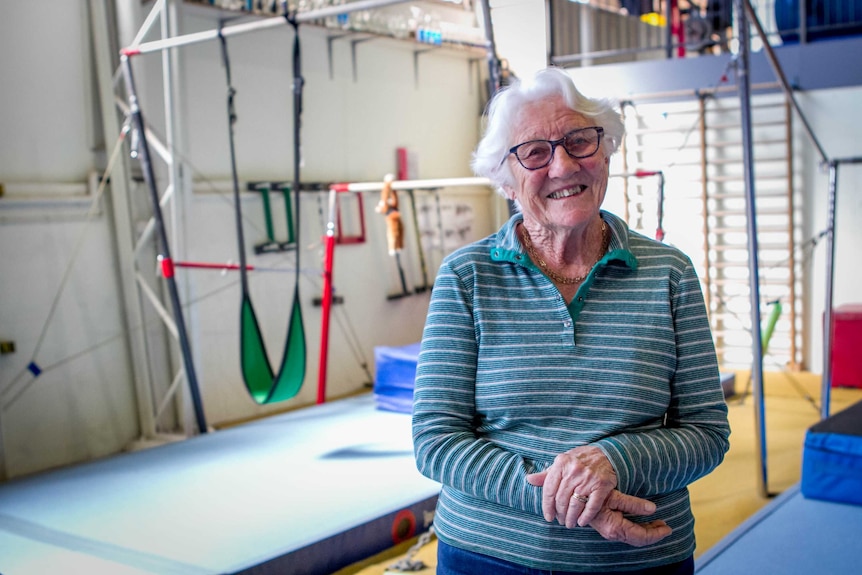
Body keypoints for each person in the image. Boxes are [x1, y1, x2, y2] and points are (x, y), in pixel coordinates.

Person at [412, 66, 731, 574]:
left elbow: (707, 433)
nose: (562, 165)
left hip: (639, 560)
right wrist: (577, 499)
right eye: (535, 152)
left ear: (604, 153)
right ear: (506, 180)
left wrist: (614, 464)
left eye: (579, 141)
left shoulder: (669, 272)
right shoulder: (467, 277)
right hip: (490, 557)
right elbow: (436, 440)